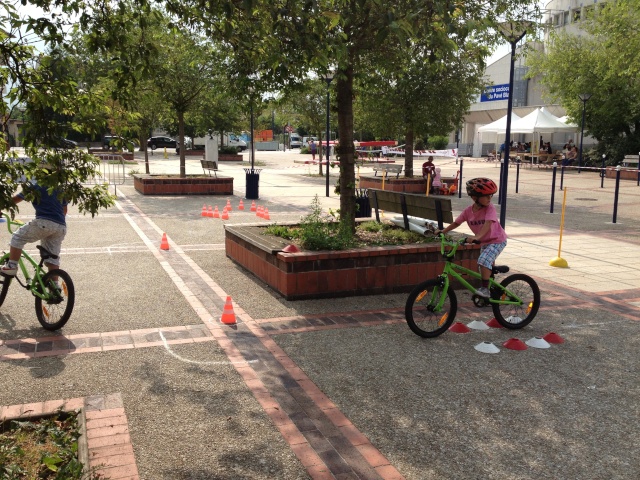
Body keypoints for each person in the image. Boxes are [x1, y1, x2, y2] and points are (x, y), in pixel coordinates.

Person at [433, 178, 507, 298]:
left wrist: (476, 237)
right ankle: (491, 288)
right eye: (486, 196)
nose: (489, 199)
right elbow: (457, 223)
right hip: (484, 242)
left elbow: (488, 223)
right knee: (482, 266)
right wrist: (443, 231)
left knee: (483, 261)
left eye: (491, 196)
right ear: (474, 197)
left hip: (497, 240)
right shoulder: (468, 211)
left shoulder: (490, 208)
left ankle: (485, 289)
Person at [1, 181, 68, 276]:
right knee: (52, 258)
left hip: (44, 222)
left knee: (17, 238)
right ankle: (55, 287)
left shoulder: (35, 186)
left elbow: (15, 200)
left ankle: (11, 266)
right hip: (61, 226)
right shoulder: (59, 188)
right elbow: (64, 210)